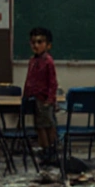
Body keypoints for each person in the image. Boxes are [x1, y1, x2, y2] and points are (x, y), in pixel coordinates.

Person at [23, 26, 59, 159]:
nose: (35, 45)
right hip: (34, 99)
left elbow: (53, 82)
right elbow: (29, 80)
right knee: (39, 127)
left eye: (40, 42)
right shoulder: (32, 61)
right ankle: (45, 150)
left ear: (48, 45)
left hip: (44, 100)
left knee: (47, 126)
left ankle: (51, 149)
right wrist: (25, 96)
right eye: (33, 42)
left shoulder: (48, 61)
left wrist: (50, 99)